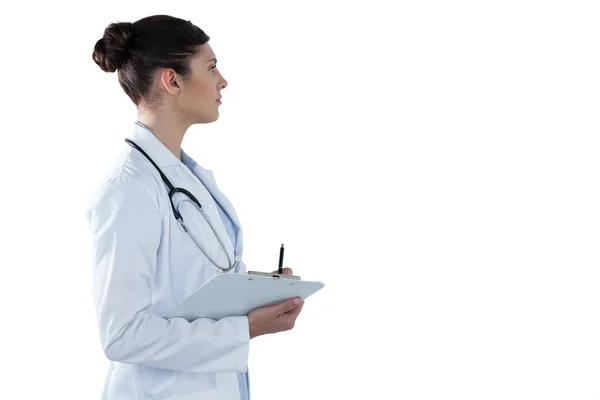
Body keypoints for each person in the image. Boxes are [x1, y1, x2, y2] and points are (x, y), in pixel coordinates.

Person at [86, 14, 304, 400]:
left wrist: (255, 291)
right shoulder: (129, 186)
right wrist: (246, 328)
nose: (223, 81)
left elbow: (189, 283)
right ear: (172, 80)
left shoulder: (183, 175)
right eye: (212, 67)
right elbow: (122, 335)